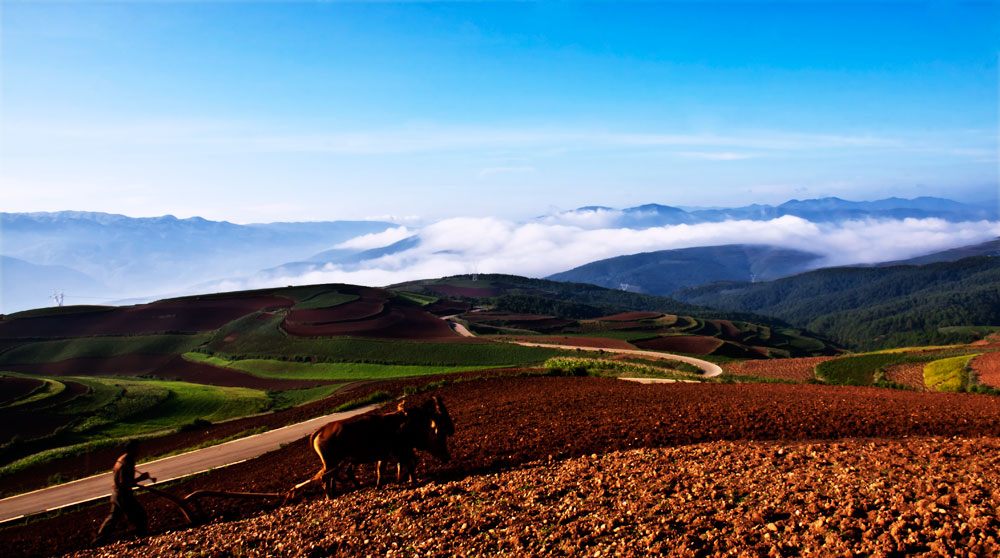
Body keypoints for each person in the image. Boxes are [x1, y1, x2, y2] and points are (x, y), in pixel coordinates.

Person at [93, 439, 155, 544]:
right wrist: (141, 478)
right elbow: (125, 483)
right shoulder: (129, 461)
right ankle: (142, 537)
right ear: (132, 449)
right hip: (123, 495)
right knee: (141, 514)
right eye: (137, 448)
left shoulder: (121, 459)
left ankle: (98, 540)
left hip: (115, 494)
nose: (139, 451)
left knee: (113, 517)